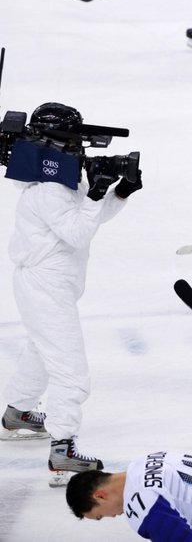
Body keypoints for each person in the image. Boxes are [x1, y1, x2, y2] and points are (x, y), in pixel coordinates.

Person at [1, 103, 142, 485]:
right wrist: (97, 192)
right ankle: (62, 450)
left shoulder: (61, 183)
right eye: (75, 140)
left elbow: (88, 220)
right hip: (44, 284)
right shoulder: (47, 190)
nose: (80, 148)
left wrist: (120, 192)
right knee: (72, 372)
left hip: (51, 283)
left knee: (40, 349)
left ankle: (17, 412)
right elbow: (78, 231)